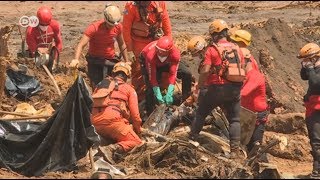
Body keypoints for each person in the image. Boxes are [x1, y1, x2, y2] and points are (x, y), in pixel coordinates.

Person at [189, 19, 247, 159]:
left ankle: (191, 139)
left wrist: (200, 85)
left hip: (217, 87)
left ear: (214, 34)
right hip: (234, 88)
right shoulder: (237, 48)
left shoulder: (212, 49)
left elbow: (205, 70)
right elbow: (243, 68)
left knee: (201, 113)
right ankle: (234, 151)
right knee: (234, 120)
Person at [91, 62, 142, 164]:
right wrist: (138, 130)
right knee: (137, 142)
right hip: (113, 122)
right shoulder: (129, 89)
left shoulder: (101, 85)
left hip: (94, 122)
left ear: (113, 73)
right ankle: (111, 149)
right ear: (127, 77)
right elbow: (135, 116)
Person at [70, 5, 129, 89]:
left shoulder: (118, 27)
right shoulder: (94, 28)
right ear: (105, 20)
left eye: (113, 25)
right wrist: (76, 59)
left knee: (112, 86)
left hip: (110, 60)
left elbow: (122, 44)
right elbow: (81, 45)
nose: (112, 27)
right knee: (97, 87)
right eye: (110, 25)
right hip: (95, 60)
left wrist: (127, 61)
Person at [122, 1, 172, 102]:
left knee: (163, 66)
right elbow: (126, 29)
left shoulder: (160, 3)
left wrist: (169, 42)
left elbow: (166, 23)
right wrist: (130, 50)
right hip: (138, 42)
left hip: (155, 41)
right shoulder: (131, 6)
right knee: (138, 70)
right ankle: (139, 98)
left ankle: (162, 92)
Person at [140, 36, 192, 115]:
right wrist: (157, 93)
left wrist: (170, 91)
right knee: (150, 87)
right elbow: (152, 77)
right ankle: (150, 111)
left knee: (187, 73)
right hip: (150, 62)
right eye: (157, 50)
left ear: (169, 51)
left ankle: (185, 101)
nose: (159, 52)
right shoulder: (151, 55)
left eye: (162, 51)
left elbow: (173, 73)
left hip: (166, 61)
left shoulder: (175, 54)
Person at [298, 42, 320, 178]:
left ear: (314, 58)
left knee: (317, 141)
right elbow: (304, 77)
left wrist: (311, 68)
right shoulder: (313, 68)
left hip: (317, 108)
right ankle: (317, 170)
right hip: (313, 108)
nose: (304, 62)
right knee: (315, 141)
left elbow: (316, 84)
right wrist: (305, 67)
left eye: (306, 59)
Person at [240, 62, 269, 153]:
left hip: (256, 115)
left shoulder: (255, 76)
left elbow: (244, 93)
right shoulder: (246, 75)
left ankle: (265, 166)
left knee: (255, 144)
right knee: (246, 143)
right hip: (247, 113)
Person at [26, 6, 62, 72]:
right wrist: (39, 52)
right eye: (42, 24)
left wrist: (55, 59)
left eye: (47, 25)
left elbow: (59, 43)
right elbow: (33, 50)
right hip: (35, 54)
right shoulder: (31, 30)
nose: (44, 27)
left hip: (49, 52)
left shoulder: (54, 25)